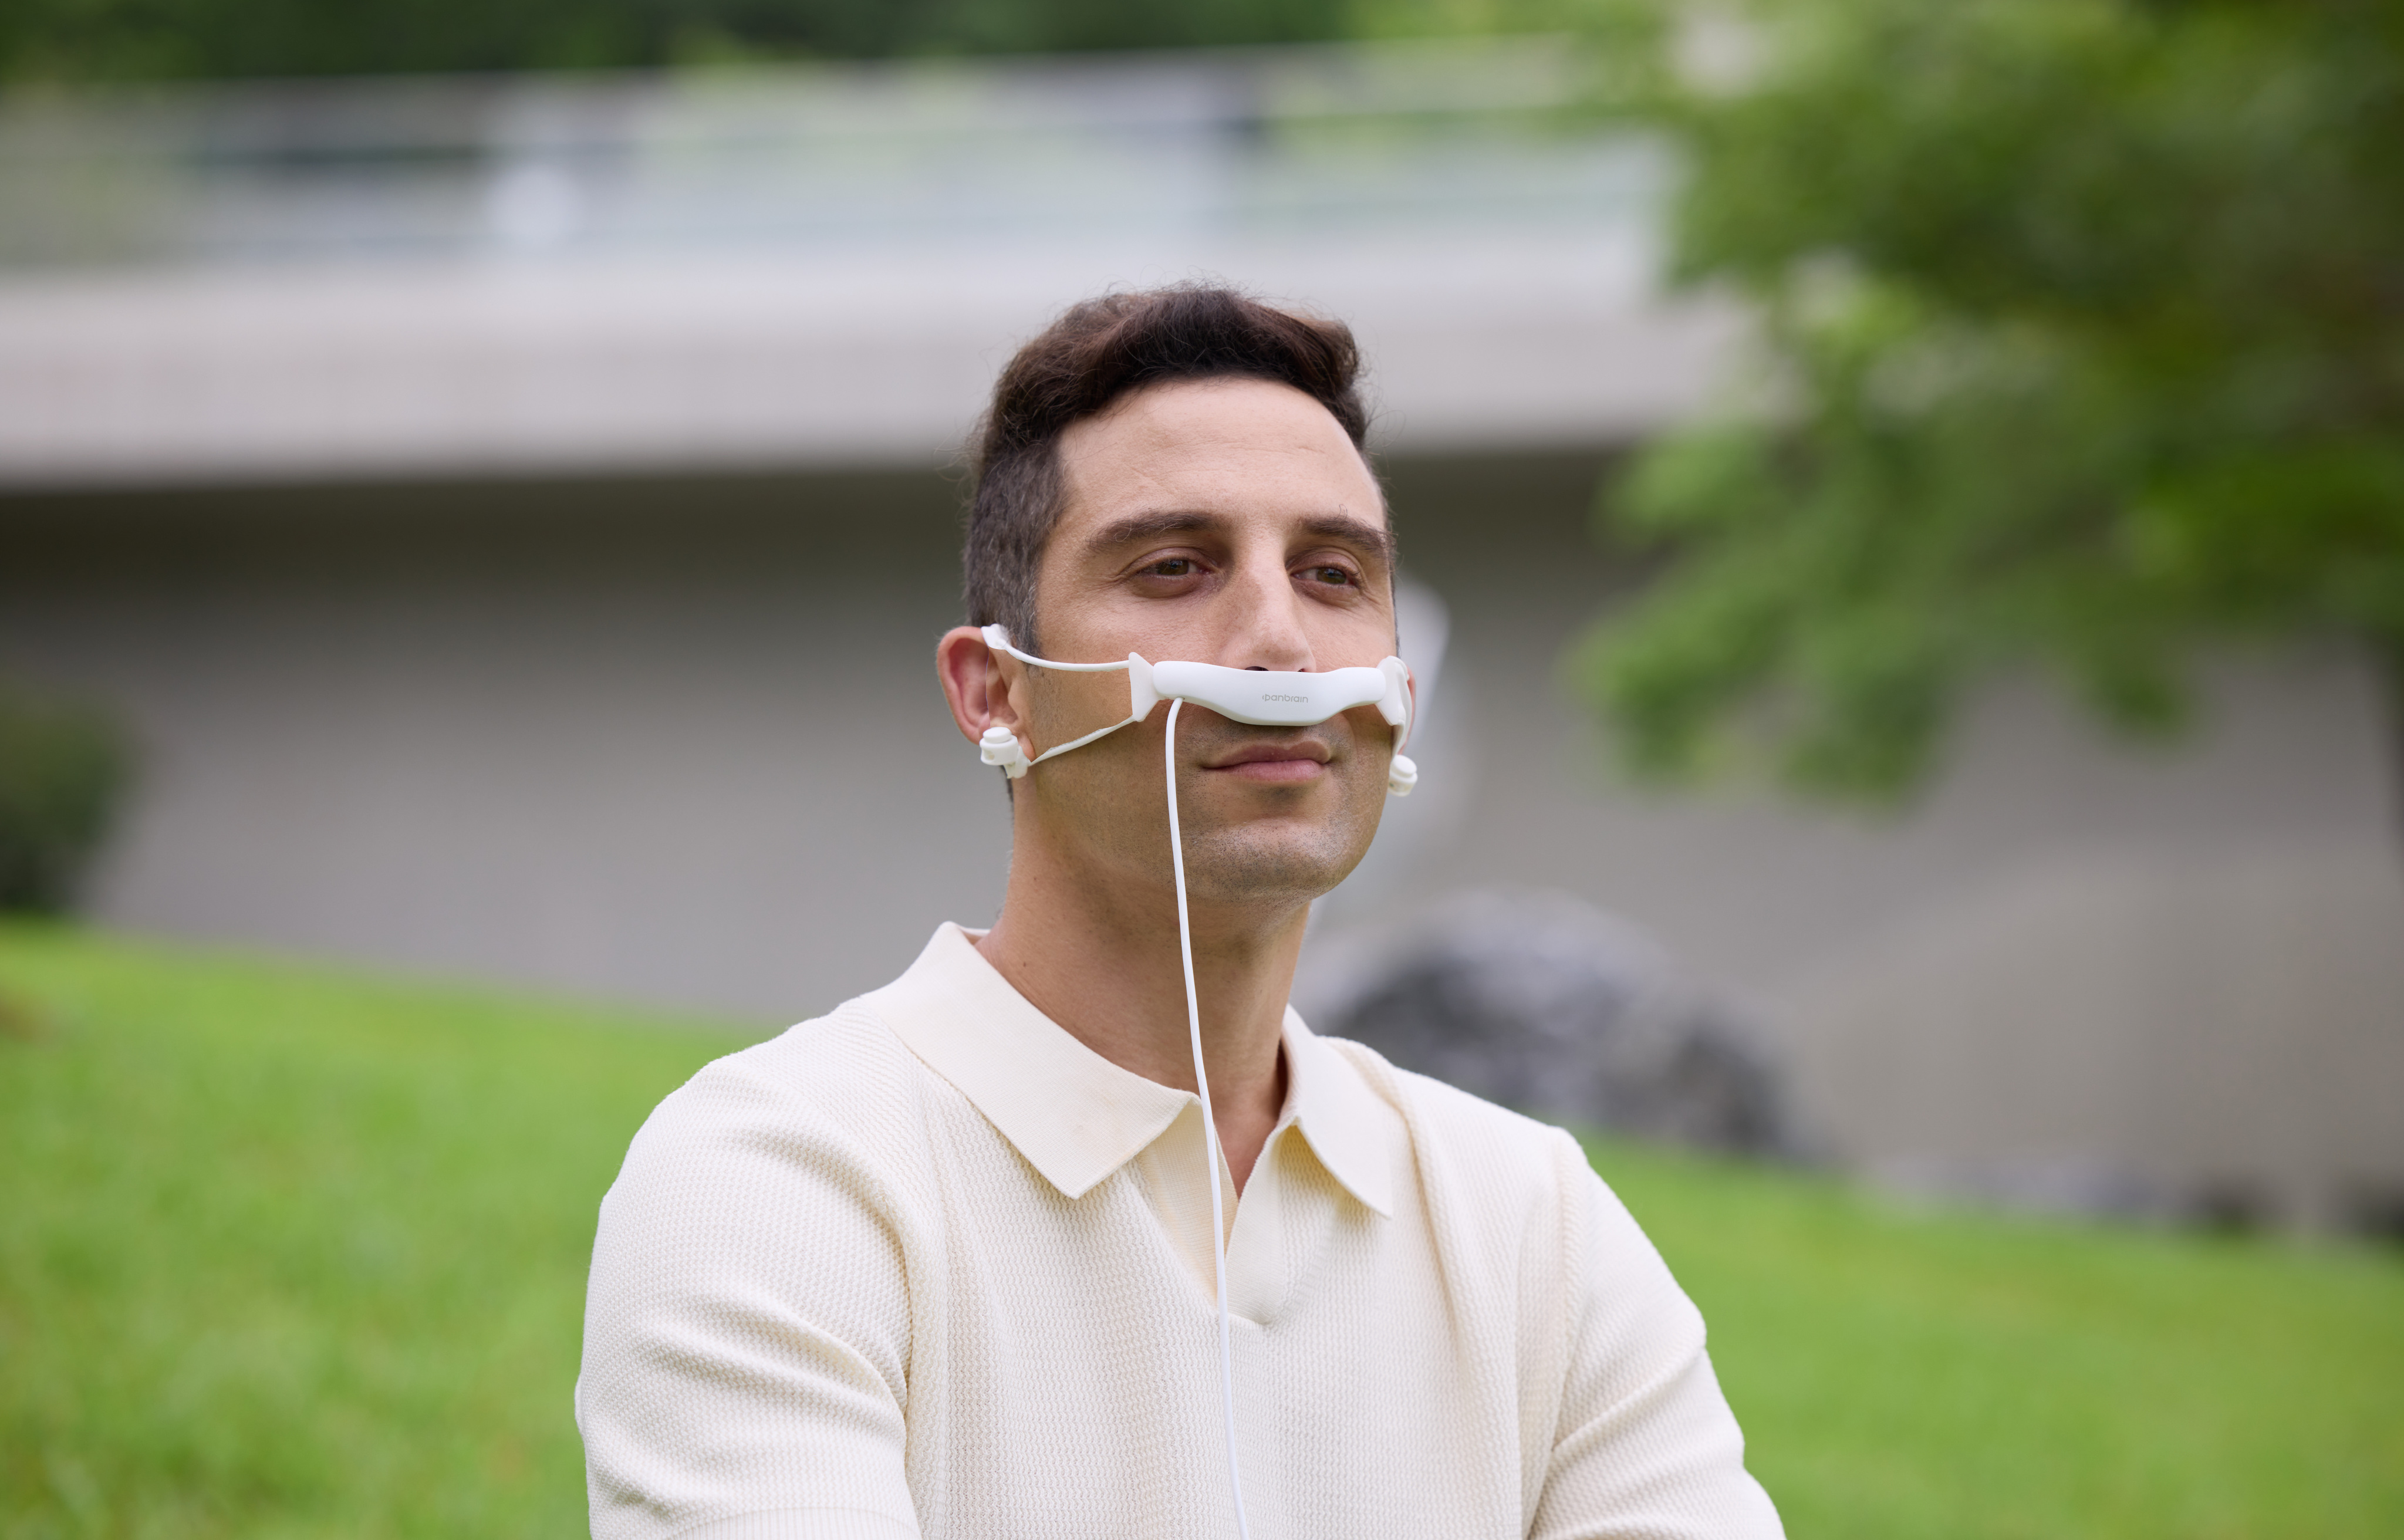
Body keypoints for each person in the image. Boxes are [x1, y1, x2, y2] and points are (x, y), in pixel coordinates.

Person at [577, 286, 1784, 1539]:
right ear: (995, 691)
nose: (1278, 641)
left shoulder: (1537, 1227)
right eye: (1173, 566)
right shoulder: (783, 1181)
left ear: (1398, 693)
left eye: (1331, 574)